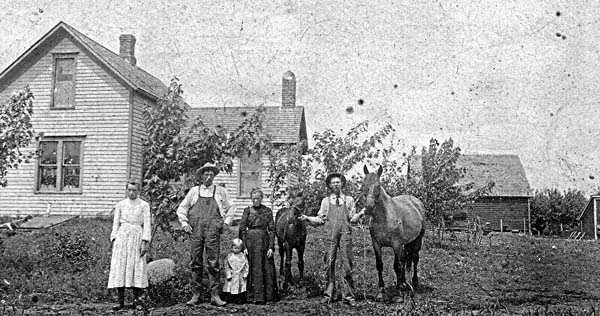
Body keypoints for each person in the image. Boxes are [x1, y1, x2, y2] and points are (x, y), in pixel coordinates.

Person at [176, 162, 234, 306]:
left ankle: (215, 295)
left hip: (213, 230)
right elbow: (181, 209)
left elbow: (231, 207)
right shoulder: (194, 191)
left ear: (214, 176)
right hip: (196, 230)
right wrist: (184, 224)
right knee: (196, 261)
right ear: (201, 176)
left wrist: (226, 223)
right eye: (206, 174)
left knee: (213, 262)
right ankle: (196, 294)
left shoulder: (220, 191)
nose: (208, 177)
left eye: (211, 174)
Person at [299, 172, 358, 307]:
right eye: (333, 183)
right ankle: (329, 294)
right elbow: (320, 219)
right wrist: (307, 218)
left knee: (347, 264)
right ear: (330, 186)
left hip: (345, 234)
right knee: (329, 262)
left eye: (338, 182)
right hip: (330, 235)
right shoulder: (326, 201)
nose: (336, 184)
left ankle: (348, 296)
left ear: (342, 183)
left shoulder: (349, 200)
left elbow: (353, 219)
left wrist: (361, 213)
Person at [107, 179, 151, 311]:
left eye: (134, 190)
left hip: (136, 235)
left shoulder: (144, 205)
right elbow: (115, 224)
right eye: (129, 190)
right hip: (123, 236)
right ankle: (120, 300)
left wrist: (145, 242)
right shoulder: (120, 205)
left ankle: (136, 300)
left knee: (136, 266)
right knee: (121, 266)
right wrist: (114, 239)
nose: (131, 193)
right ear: (126, 190)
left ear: (139, 191)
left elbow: (147, 224)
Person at [238, 188, 279, 304]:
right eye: (254, 198)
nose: (256, 201)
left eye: (258, 198)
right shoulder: (247, 211)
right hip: (251, 242)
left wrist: (271, 247)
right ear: (251, 199)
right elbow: (242, 229)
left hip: (263, 242)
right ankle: (252, 297)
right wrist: (244, 246)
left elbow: (272, 230)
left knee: (266, 267)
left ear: (261, 198)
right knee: (252, 268)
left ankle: (267, 296)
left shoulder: (267, 211)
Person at [222, 238, 249, 304]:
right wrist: (228, 274)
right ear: (232, 247)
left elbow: (246, 265)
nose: (236, 250)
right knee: (229, 286)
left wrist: (245, 274)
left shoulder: (243, 256)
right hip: (232, 273)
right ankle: (228, 298)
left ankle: (239, 299)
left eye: (238, 248)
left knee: (240, 287)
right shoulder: (230, 256)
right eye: (235, 248)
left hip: (240, 274)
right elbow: (226, 265)